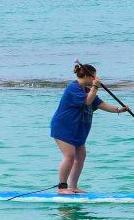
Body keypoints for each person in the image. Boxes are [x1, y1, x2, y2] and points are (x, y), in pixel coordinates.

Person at [51, 62, 126, 195]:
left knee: (81, 156)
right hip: (64, 127)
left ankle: (73, 186)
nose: (95, 79)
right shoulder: (73, 88)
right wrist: (95, 87)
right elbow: (87, 101)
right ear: (85, 76)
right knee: (69, 156)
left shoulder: (87, 91)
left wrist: (120, 109)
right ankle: (62, 187)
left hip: (78, 129)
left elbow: (102, 104)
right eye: (93, 77)